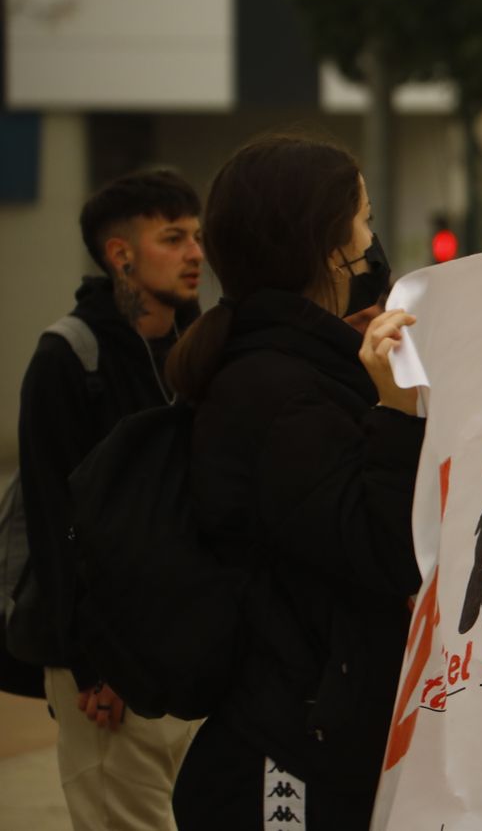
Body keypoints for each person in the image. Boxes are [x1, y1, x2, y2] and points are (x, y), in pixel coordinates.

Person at [163, 136, 424, 828]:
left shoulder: (290, 366)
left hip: (311, 737)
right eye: (364, 219)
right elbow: (382, 549)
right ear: (326, 244)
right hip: (287, 756)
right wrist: (395, 416)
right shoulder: (277, 388)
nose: (373, 241)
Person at [14, 169, 203, 831]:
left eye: (198, 237)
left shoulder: (196, 347)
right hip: (105, 676)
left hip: (182, 654)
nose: (195, 253)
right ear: (121, 255)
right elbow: (52, 518)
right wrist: (92, 664)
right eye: (173, 237)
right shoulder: (70, 357)